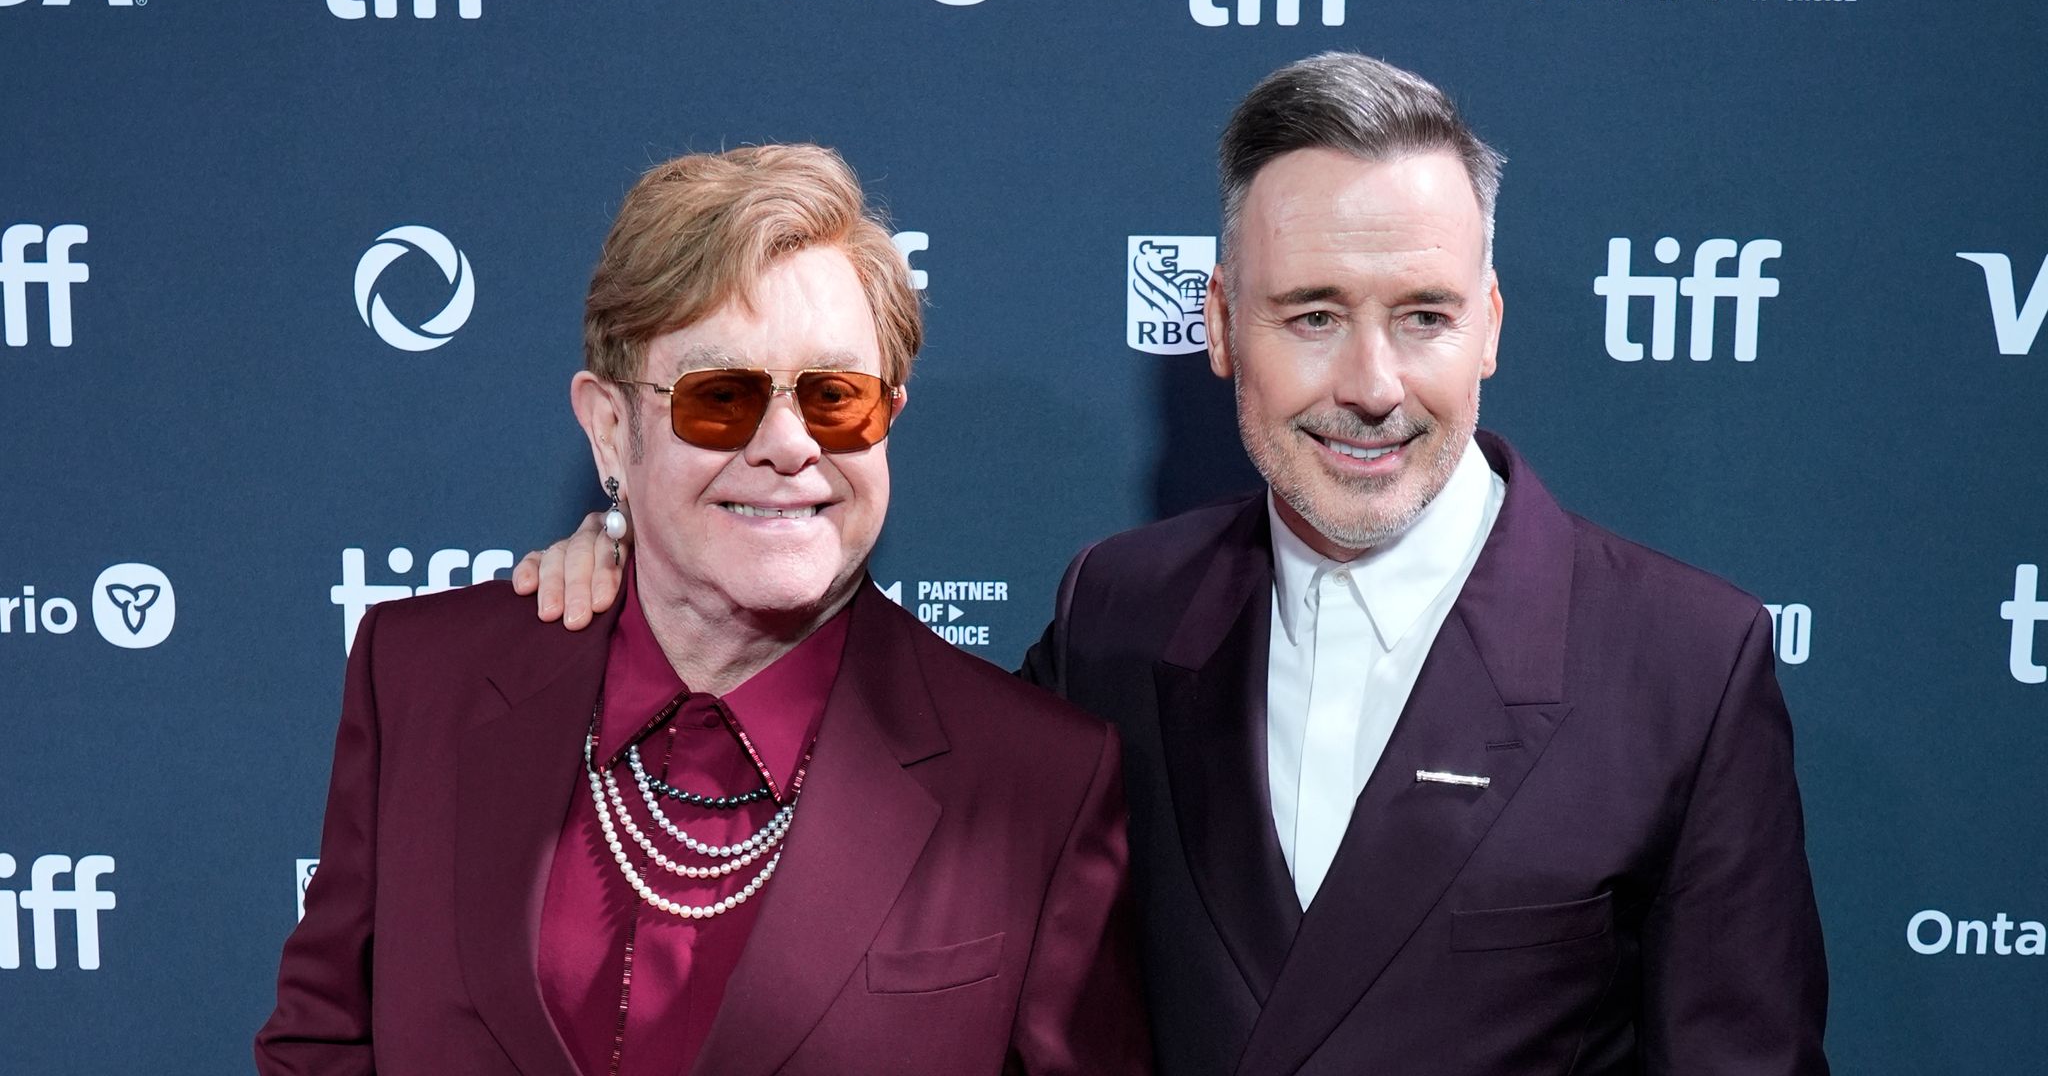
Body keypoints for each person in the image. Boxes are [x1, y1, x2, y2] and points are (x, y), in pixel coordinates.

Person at [521, 54, 1830, 1074]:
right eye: (1311, 316)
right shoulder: (1120, 615)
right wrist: (673, 575)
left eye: (1422, 318)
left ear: (1488, 327)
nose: (1370, 386)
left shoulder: (1681, 667)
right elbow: (885, 808)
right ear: (1218, 329)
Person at [259, 145, 1148, 1076]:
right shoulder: (422, 680)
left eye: (836, 397)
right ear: (611, 426)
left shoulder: (1037, 779)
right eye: (719, 398)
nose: (789, 446)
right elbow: (322, 1046)